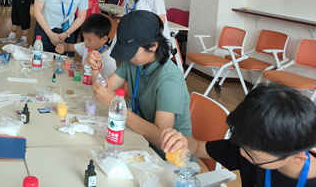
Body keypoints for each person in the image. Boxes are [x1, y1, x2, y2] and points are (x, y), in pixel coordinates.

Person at [161, 84, 316, 187]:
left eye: (255, 158)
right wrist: (183, 142)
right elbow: (198, 147)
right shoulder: (248, 147)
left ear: (297, 158)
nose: (242, 154)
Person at [86, 10, 191, 158]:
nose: (129, 57)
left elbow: (161, 139)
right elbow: (102, 90)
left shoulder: (170, 79)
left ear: (153, 46)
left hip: (167, 157)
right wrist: (95, 67)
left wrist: (114, 104)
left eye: (132, 52)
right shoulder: (134, 62)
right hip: (140, 140)